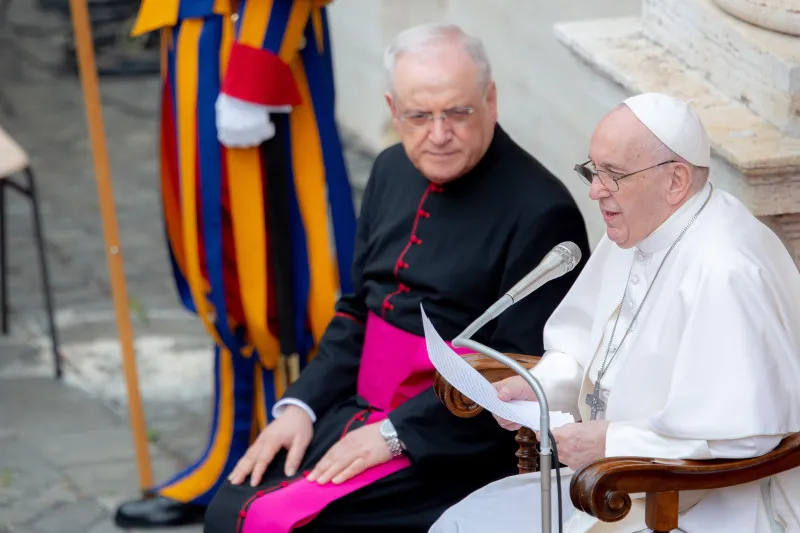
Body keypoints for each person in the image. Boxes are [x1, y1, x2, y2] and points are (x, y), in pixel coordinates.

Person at [203, 23, 590, 533]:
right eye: (419, 115)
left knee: (297, 524)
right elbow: (356, 311)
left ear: (490, 101)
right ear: (393, 110)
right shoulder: (390, 169)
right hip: (356, 408)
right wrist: (300, 407)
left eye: (457, 112)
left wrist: (395, 433)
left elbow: (519, 373)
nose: (438, 134)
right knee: (230, 506)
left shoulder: (542, 211)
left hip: (450, 442)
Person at [429, 92, 800, 533]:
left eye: (614, 175)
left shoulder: (726, 270)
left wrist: (613, 443)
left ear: (676, 181)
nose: (594, 190)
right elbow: (584, 347)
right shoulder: (635, 228)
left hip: (703, 507)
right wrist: (541, 388)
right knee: (460, 523)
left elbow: (746, 434)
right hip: (612, 481)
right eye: (593, 170)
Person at [114, 0, 357, 528]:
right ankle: (238, 444)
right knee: (212, 253)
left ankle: (297, 443)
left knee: (271, 262)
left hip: (247, 35)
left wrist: (255, 65)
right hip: (196, 35)